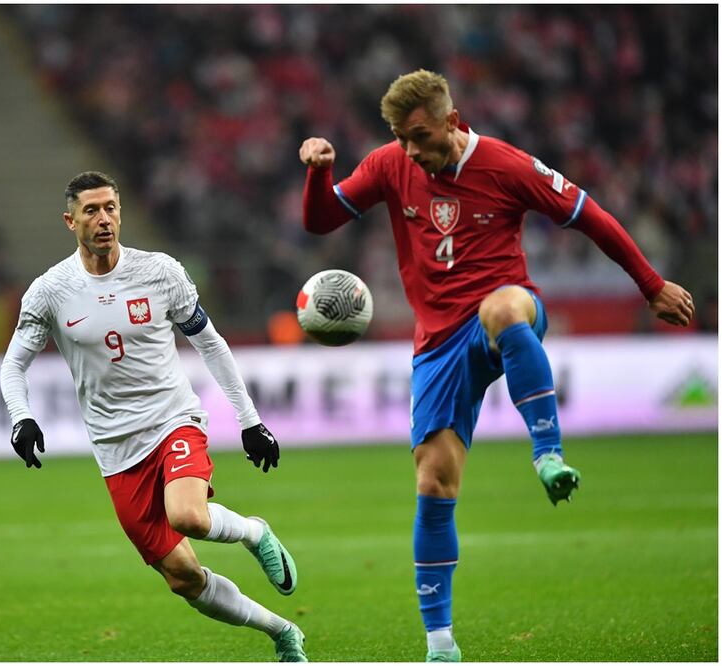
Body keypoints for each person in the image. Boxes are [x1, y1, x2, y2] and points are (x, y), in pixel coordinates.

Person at [297, 69, 694, 662]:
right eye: (402, 138)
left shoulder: (507, 166)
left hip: (507, 315)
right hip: (436, 345)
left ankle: (548, 452)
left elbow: (590, 215)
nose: (412, 150)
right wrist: (319, 170)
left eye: (421, 136)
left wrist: (651, 285)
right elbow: (321, 220)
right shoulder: (388, 164)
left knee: (503, 305)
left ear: (453, 124)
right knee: (433, 482)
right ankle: (440, 644)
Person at [0, 171, 307, 662]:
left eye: (111, 208)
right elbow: (14, 364)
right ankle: (282, 632)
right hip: (115, 450)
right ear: (70, 220)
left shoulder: (160, 271)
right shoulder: (50, 291)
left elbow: (209, 342)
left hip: (173, 419)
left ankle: (254, 532)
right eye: (92, 211)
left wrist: (249, 420)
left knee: (187, 514)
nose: (104, 219)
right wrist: (21, 417)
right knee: (183, 579)